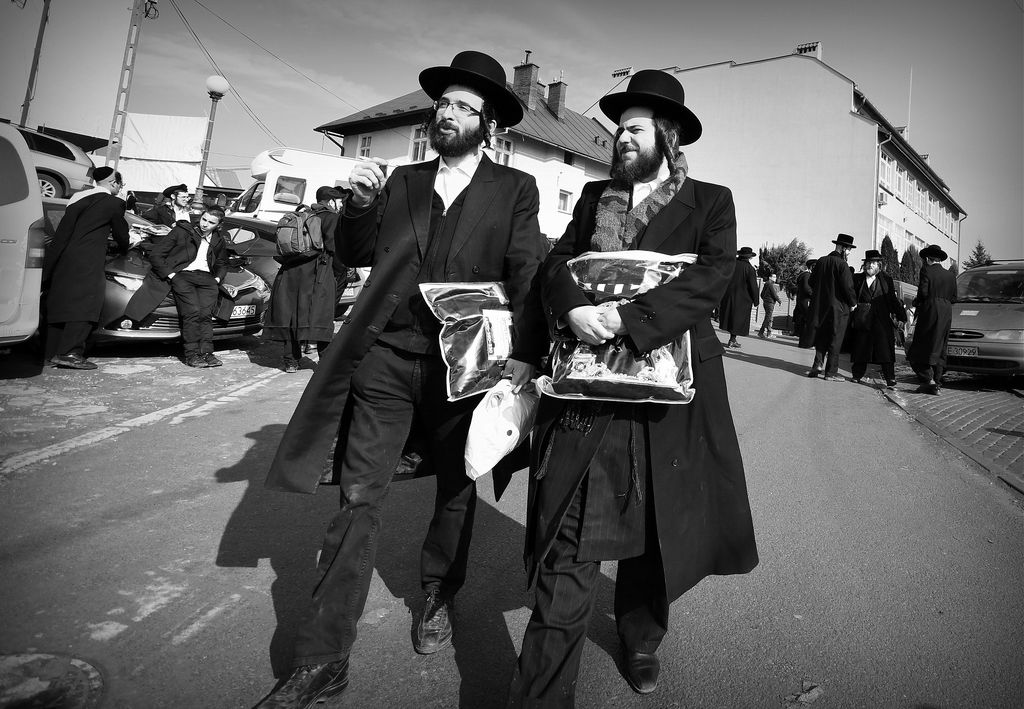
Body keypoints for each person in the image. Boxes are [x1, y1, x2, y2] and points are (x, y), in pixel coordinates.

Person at [255, 50, 549, 708]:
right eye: (442, 103)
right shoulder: (402, 180)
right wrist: (360, 205)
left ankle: (438, 592)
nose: (446, 113)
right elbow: (354, 250)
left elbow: (527, 269)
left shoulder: (515, 189)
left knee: (456, 488)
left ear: (488, 124)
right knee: (358, 499)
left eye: (463, 107)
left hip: (465, 364)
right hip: (386, 357)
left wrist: (528, 353)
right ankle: (322, 657)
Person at [507, 69, 758, 707]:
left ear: (667, 138)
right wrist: (571, 307)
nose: (621, 137)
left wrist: (629, 319)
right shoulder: (595, 197)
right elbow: (556, 263)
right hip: (586, 393)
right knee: (569, 536)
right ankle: (540, 694)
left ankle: (641, 637)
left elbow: (711, 277)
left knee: (654, 530)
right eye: (619, 128)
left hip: (667, 391)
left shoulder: (710, 201)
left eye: (635, 129)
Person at [42, 166, 129, 369]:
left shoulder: (77, 199)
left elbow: (63, 233)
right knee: (87, 304)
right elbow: (121, 234)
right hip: (88, 259)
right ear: (113, 183)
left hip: (64, 258)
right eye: (120, 184)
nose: (120, 188)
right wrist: (124, 246)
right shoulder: (114, 203)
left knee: (60, 303)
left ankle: (50, 352)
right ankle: (70, 353)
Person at [124, 206, 228, 368]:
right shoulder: (183, 231)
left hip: (207, 280)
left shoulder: (218, 239)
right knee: (192, 312)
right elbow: (157, 254)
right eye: (204, 219)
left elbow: (222, 262)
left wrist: (217, 279)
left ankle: (207, 353)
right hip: (182, 276)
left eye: (211, 222)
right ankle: (192, 355)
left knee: (205, 315)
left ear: (218, 225)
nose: (205, 224)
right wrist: (172, 275)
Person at [262, 186, 342, 373]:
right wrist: (339, 273)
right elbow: (334, 248)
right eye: (339, 200)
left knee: (292, 316)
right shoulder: (332, 217)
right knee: (321, 316)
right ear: (331, 201)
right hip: (318, 272)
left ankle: (291, 360)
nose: (340, 204)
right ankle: (326, 363)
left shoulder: (304, 214)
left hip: (291, 271)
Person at [799, 233, 858, 381]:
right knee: (835, 340)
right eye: (849, 250)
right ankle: (831, 372)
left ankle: (817, 365)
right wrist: (853, 303)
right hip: (839, 309)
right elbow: (848, 287)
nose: (849, 253)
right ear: (843, 248)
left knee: (822, 336)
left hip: (820, 307)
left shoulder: (821, 261)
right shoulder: (842, 265)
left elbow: (811, 282)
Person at [848, 250, 906, 387]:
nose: (870, 265)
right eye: (868, 263)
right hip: (863, 319)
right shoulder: (857, 279)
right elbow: (851, 295)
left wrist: (901, 316)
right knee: (861, 347)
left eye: (873, 263)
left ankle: (890, 378)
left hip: (881, 319)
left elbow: (892, 300)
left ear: (879, 265)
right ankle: (856, 375)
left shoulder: (886, 279)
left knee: (885, 350)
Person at [906, 244, 957, 395]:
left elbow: (923, 292)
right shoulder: (950, 275)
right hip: (946, 312)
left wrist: (916, 302)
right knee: (940, 347)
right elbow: (954, 298)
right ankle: (936, 384)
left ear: (928, 258)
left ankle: (928, 379)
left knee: (920, 347)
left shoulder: (926, 270)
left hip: (930, 310)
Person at [718, 246, 758, 348]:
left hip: (728, 296)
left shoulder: (731, 265)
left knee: (730, 318)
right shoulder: (750, 269)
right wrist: (756, 300)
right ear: (749, 257)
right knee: (737, 320)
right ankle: (732, 340)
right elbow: (753, 286)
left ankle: (732, 339)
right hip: (743, 300)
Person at [792, 259, 816, 337]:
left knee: (800, 317)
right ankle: (803, 334)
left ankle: (798, 332)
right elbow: (806, 288)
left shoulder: (802, 275)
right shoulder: (807, 275)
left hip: (800, 300)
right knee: (806, 317)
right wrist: (814, 295)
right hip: (805, 300)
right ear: (812, 267)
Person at [757, 272, 782, 338]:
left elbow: (762, 294)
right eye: (774, 277)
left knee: (769, 318)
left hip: (766, 303)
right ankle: (761, 332)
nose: (775, 278)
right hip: (770, 303)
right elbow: (774, 294)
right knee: (767, 318)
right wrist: (779, 301)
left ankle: (769, 333)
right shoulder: (770, 285)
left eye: (775, 277)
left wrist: (765, 300)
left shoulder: (766, 284)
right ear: (770, 278)